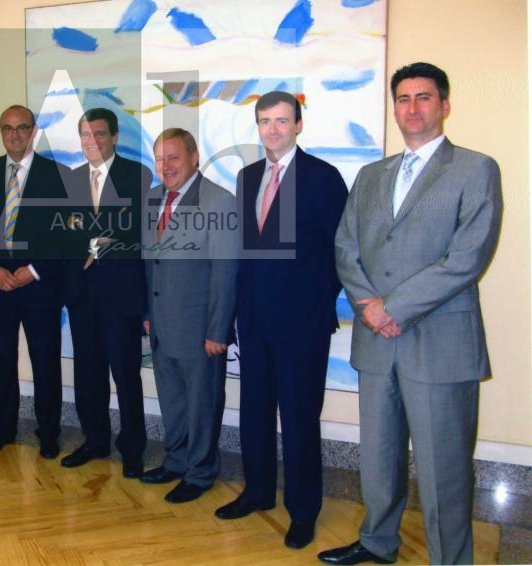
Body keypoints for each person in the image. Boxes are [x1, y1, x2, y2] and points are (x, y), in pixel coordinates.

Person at [319, 62, 502, 565]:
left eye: (424, 97)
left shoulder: (475, 169)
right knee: (379, 457)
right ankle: (378, 541)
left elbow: (468, 256)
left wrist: (394, 307)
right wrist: (370, 307)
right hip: (376, 342)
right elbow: (345, 247)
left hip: (440, 343)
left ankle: (450, 559)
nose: (412, 107)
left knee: (444, 469)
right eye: (403, 98)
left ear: (444, 105)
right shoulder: (371, 176)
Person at [215, 92, 348, 548]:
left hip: (303, 327)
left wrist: (317, 304)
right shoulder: (248, 176)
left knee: (298, 419)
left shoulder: (323, 177)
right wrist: (238, 311)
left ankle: (303, 510)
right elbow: (245, 250)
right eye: (265, 121)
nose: (272, 129)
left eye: (281, 121)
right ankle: (257, 491)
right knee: (254, 412)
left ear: (298, 125)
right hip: (254, 321)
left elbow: (341, 252)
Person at [139, 128, 238, 503]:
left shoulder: (219, 201)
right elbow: (149, 262)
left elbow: (225, 272)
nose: (166, 166)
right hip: (161, 324)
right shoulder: (152, 199)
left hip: (200, 329)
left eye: (174, 157)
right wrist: (148, 312)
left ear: (194, 158)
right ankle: (176, 461)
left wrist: (218, 330)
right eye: (160, 159)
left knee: (202, 405)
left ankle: (199, 473)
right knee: (173, 401)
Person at [59, 108, 152, 478]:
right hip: (82, 293)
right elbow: (62, 230)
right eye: (86, 134)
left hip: (120, 294)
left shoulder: (136, 175)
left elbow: (134, 228)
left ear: (114, 137)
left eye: (99, 134)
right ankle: (95, 440)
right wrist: (89, 240)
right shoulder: (71, 179)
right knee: (87, 373)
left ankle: (132, 449)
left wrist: (95, 243)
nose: (92, 141)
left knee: (126, 375)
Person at [0, 105, 66, 459]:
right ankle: (2, 429)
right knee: (1, 359)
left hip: (39, 285)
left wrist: (35, 269)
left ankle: (49, 433)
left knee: (45, 360)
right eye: (7, 128)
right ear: (1, 132)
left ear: (33, 130)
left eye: (22, 127)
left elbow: (64, 233)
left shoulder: (56, 174)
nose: (15, 135)